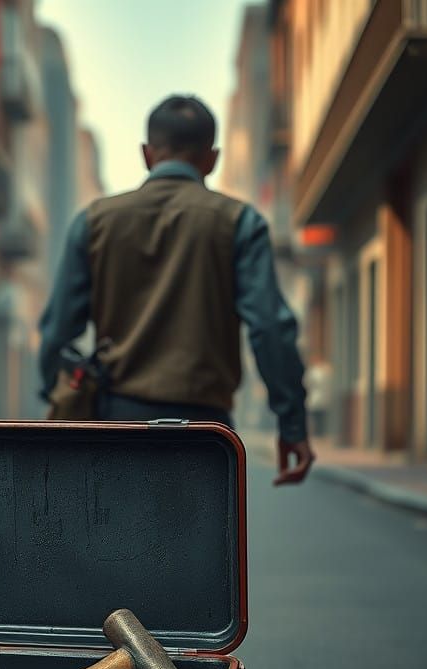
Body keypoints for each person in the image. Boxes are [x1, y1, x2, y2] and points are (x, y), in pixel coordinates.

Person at [38, 94, 315, 486]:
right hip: (205, 433)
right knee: (204, 545)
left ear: (147, 154)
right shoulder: (240, 222)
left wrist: (57, 397)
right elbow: (270, 328)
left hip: (118, 427)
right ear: (212, 158)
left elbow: (57, 332)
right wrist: (292, 424)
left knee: (114, 542)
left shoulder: (94, 222)